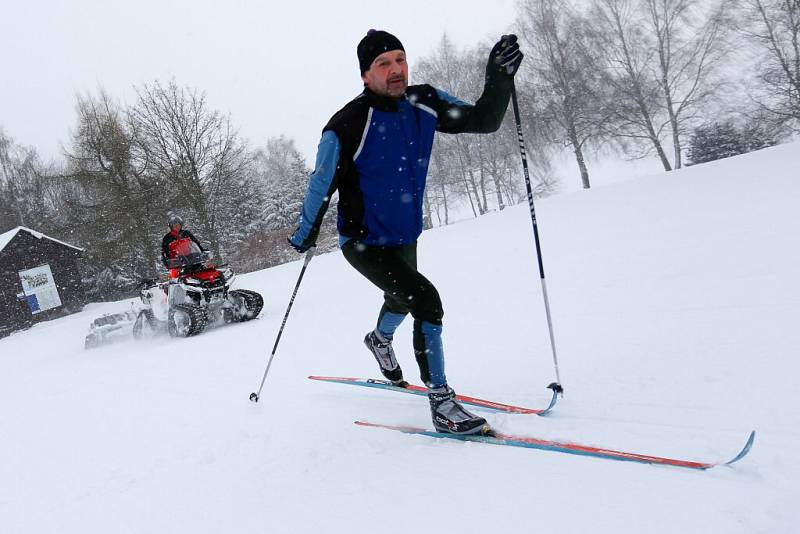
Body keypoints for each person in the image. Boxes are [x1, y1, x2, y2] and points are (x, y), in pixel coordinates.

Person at [288, 30, 523, 435]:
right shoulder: (345, 126)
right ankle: (443, 402)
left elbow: (485, 120)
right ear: (365, 75)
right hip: (363, 242)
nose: (396, 69)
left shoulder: (424, 102)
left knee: (400, 299)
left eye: (400, 59)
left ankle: (379, 341)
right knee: (426, 299)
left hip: (405, 231)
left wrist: (499, 77)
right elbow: (320, 184)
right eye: (383, 63)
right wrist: (304, 233)